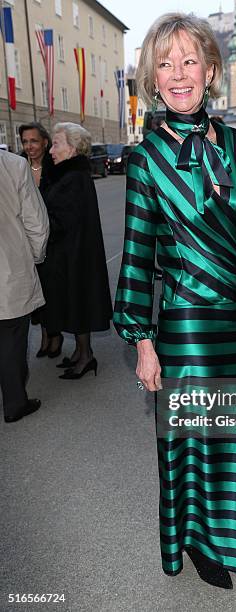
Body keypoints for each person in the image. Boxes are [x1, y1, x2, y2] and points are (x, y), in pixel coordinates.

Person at [113, 13, 236, 589]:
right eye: (165, 64)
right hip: (187, 322)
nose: (178, 74)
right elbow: (137, 255)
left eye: (190, 61)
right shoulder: (144, 161)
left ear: (211, 71)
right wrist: (141, 340)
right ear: (152, 79)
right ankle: (199, 544)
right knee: (194, 439)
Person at [41, 123, 112, 379]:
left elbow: (62, 221)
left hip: (74, 255)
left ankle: (86, 357)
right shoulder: (71, 174)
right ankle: (80, 354)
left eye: (57, 143)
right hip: (74, 253)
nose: (51, 150)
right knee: (77, 303)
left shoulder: (72, 178)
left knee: (78, 303)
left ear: (72, 148)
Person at [0, 150, 49, 423]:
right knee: (11, 339)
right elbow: (36, 221)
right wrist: (35, 256)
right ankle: (15, 402)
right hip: (8, 269)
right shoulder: (13, 165)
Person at [19, 122, 58, 358]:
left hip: (53, 241)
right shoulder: (17, 166)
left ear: (45, 141)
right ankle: (45, 334)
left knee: (52, 291)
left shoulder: (55, 166)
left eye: (33, 141)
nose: (29, 146)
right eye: (25, 141)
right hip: (25, 241)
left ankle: (55, 334)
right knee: (35, 290)